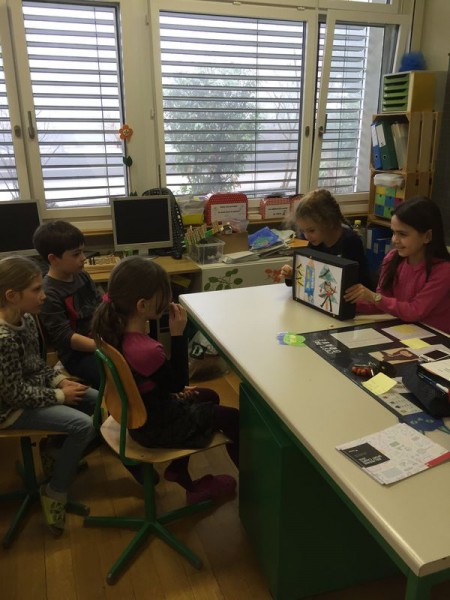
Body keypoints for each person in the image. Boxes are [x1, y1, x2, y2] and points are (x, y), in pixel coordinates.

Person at [91, 256, 239, 504]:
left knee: (209, 396)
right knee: (233, 418)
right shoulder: (145, 350)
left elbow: (155, 380)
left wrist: (172, 391)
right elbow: (177, 383)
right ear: (142, 305)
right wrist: (178, 334)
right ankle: (254, 486)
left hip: (143, 413)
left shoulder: (111, 329)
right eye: (164, 294)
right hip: (157, 427)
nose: (169, 298)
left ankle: (178, 469)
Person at [0, 255, 97, 536]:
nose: (43, 295)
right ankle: (55, 491)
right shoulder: (3, 339)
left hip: (31, 392)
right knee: (84, 425)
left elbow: (36, 365)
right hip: (9, 409)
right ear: (12, 296)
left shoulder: (27, 319)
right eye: (36, 290)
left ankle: (55, 454)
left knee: (96, 399)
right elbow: (14, 395)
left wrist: (61, 380)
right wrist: (59, 396)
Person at [344, 197, 450, 334]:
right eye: (393, 232)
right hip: (405, 331)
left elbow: (414, 311)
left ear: (427, 236)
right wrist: (347, 302)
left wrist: (372, 297)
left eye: (402, 234)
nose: (395, 240)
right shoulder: (392, 258)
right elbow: (384, 304)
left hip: (435, 338)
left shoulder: (443, 270)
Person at [33, 221, 102, 388]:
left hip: (99, 340)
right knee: (113, 376)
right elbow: (65, 337)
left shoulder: (82, 276)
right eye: (76, 254)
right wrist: (103, 347)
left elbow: (100, 307)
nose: (83, 258)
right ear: (53, 259)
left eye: (83, 251)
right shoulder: (49, 293)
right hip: (77, 355)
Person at [280, 188, 372, 288]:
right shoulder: (316, 242)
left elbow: (356, 283)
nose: (307, 236)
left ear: (329, 223)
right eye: (303, 231)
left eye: (311, 230)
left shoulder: (350, 242)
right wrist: (293, 275)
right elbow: (312, 276)